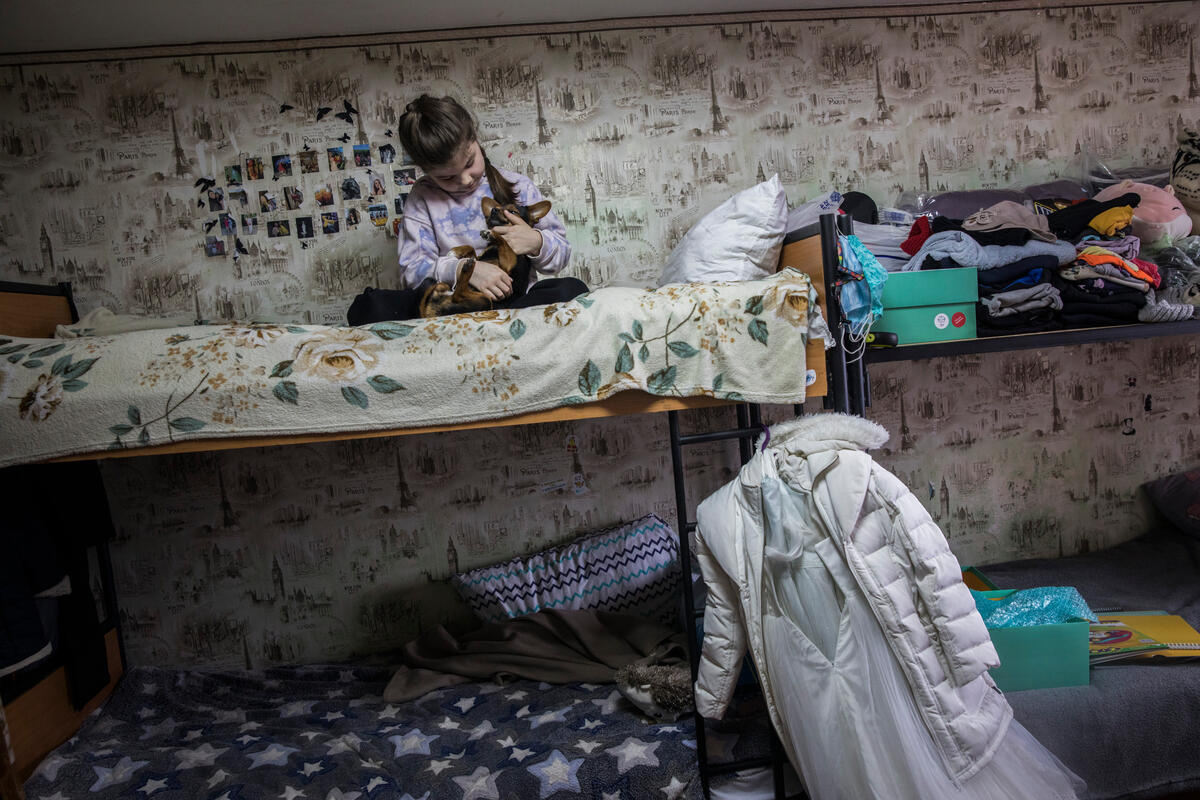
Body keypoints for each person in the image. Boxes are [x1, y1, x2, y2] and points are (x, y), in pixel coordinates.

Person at [395, 94, 586, 311]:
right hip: (461, 307)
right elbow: (411, 273)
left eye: (470, 163)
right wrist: (465, 270)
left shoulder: (518, 185)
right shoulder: (422, 198)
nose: (466, 180)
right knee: (370, 305)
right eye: (447, 177)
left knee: (573, 288)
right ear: (426, 171)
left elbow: (562, 255)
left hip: (518, 304)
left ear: (475, 139)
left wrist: (536, 241)